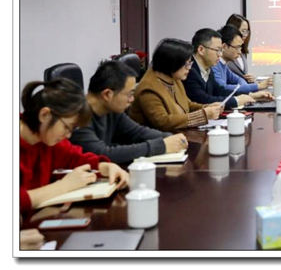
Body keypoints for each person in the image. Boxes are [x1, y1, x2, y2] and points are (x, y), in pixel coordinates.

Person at [20, 79, 129, 214]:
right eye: (67, 127)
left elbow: (76, 158)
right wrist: (63, 186)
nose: (68, 135)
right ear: (44, 115)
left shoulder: (48, 139)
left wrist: (106, 167)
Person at [70, 61, 188, 164]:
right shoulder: (77, 117)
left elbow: (137, 132)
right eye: (130, 94)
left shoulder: (111, 109)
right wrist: (161, 145)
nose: (132, 99)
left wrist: (170, 138)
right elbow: (103, 154)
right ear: (107, 94)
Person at [130, 38, 226, 132]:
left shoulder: (174, 79)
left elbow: (187, 105)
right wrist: (203, 115)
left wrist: (207, 107)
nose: (189, 68)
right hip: (157, 139)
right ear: (172, 62)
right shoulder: (148, 89)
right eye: (186, 64)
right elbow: (163, 122)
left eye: (190, 63)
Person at [183, 28, 255, 109]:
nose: (220, 54)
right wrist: (236, 100)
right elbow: (203, 100)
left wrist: (249, 96)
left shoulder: (208, 68)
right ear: (201, 50)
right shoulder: (189, 70)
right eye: (217, 50)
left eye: (221, 50)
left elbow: (219, 90)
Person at [212, 25, 274, 100]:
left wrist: (247, 91)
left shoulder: (224, 65)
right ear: (224, 47)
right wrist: (258, 86)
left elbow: (239, 80)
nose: (239, 52)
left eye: (240, 47)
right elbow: (223, 88)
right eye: (237, 47)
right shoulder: (214, 65)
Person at [225, 13, 256, 83]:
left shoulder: (242, 52)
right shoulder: (225, 52)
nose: (245, 35)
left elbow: (242, 75)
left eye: (247, 31)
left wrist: (249, 79)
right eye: (243, 31)